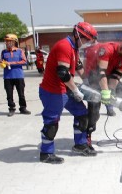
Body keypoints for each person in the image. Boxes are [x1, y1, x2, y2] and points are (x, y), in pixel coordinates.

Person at [38, 22, 98, 164]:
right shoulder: (64, 46)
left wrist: (89, 83)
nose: (86, 43)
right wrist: (76, 90)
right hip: (53, 91)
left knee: (82, 114)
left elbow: (78, 66)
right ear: (77, 34)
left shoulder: (74, 47)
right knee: (52, 122)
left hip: (65, 88)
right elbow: (63, 73)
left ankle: (80, 144)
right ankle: (46, 153)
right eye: (86, 39)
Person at [83, 33, 122, 148]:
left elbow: (116, 75)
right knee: (94, 109)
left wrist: (111, 90)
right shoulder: (107, 49)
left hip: (111, 75)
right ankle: (87, 136)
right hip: (96, 76)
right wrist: (105, 92)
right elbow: (100, 73)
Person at [0, 33, 31, 117]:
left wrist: (11, 63)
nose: (7, 43)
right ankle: (11, 108)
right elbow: (1, 61)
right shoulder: (4, 52)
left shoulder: (20, 51)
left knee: (21, 93)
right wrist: (2, 63)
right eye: (6, 41)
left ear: (14, 42)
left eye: (9, 41)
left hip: (18, 76)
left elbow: (24, 61)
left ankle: (23, 108)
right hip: (7, 76)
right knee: (9, 94)